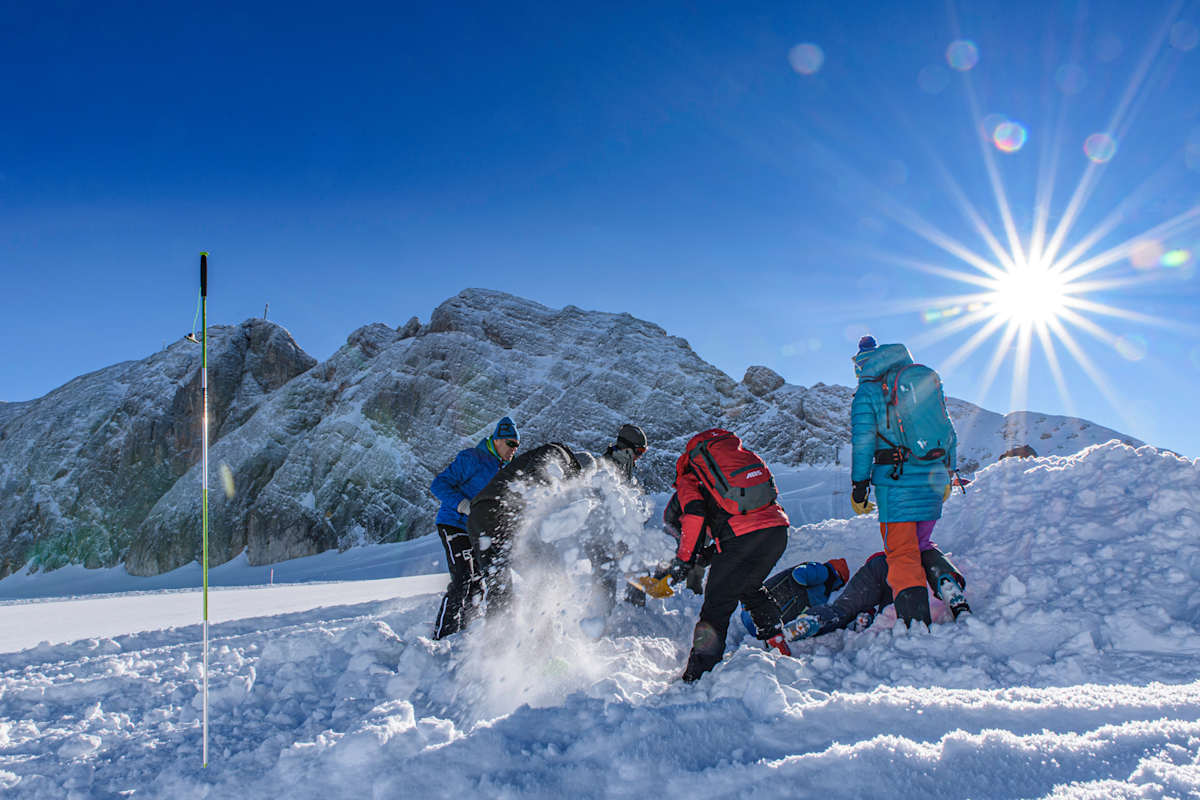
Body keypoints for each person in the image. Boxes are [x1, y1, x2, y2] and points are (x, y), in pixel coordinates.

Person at [850, 336, 959, 629]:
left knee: (902, 553)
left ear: (861, 365)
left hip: (896, 481)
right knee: (922, 544)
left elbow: (862, 443)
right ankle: (951, 588)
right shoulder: (922, 379)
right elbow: (949, 430)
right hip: (933, 476)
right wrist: (949, 472)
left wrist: (859, 487)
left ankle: (915, 622)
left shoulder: (868, 391)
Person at [668, 428, 793, 682]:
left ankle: (698, 676)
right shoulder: (734, 463)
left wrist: (684, 560)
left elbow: (694, 516)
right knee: (747, 585)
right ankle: (776, 639)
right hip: (777, 532)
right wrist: (711, 552)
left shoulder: (689, 478)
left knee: (717, 605)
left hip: (742, 538)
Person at [467, 441, 584, 618]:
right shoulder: (556, 451)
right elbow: (536, 472)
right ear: (575, 467)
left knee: (499, 584)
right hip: (501, 513)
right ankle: (542, 633)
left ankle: (498, 637)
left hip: (479, 517)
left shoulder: (550, 458)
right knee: (546, 573)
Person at [428, 416, 520, 639]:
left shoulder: (505, 470)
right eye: (511, 443)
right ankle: (442, 637)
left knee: (478, 582)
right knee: (462, 578)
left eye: (517, 446)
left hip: (478, 531)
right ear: (497, 440)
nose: (514, 449)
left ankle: (466, 633)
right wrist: (463, 505)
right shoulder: (472, 458)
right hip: (454, 524)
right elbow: (438, 484)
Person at [784, 548, 970, 640]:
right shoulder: (924, 551)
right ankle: (870, 618)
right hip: (903, 569)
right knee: (888, 609)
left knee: (842, 608)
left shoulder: (876, 558)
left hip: (875, 566)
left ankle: (813, 620)